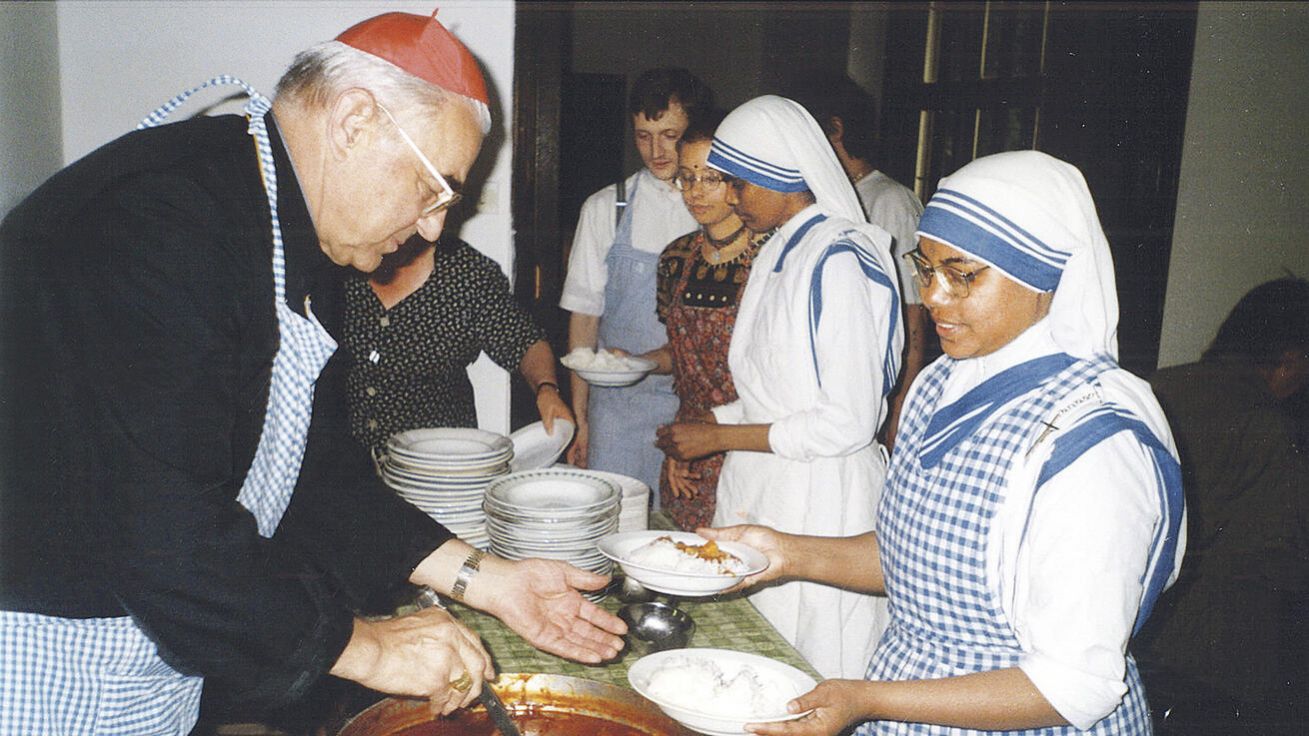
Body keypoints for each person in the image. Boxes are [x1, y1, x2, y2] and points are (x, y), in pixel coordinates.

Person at [0, 13, 624, 735]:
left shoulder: (296, 232)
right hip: (42, 650)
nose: (433, 228)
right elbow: (160, 524)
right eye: (434, 190)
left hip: (145, 644)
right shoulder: (160, 219)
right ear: (355, 122)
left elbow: (312, 469)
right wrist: (365, 649)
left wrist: (487, 579)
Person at [698, 150, 1186, 736]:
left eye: (963, 275)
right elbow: (921, 561)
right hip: (906, 705)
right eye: (926, 269)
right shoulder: (939, 384)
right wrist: (784, 553)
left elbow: (1074, 686)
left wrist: (867, 700)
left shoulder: (1091, 445)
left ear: (1042, 274)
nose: (932, 296)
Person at [656, 95, 904, 680]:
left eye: (739, 184)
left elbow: (846, 421)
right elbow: (780, 390)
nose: (731, 197)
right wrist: (712, 424)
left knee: (809, 663)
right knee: (760, 655)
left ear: (779, 177)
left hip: (820, 498)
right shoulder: (782, 249)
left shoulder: (838, 258)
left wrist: (722, 437)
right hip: (773, 482)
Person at [1135, 277, 1309, 734]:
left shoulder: (1152, 388)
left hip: (1134, 640)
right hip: (1210, 667)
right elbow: (1285, 559)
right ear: (1290, 360)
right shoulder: (1272, 431)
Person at [561, 68, 713, 494]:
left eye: (669, 135)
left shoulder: (715, 211)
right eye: (644, 136)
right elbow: (584, 319)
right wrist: (582, 420)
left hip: (694, 411)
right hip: (617, 411)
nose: (656, 151)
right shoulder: (605, 208)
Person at [634, 109, 771, 531]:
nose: (695, 192)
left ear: (738, 181)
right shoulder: (675, 258)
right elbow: (682, 355)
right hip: (688, 446)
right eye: (687, 177)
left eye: (710, 178)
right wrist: (638, 362)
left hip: (753, 440)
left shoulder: (772, 258)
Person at [787, 73, 927, 450]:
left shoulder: (890, 201)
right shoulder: (820, 198)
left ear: (835, 130)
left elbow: (914, 317)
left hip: (874, 395)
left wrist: (901, 408)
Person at [345, 232, 572, 462]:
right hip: (344, 461)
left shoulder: (466, 273)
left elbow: (526, 341)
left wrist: (546, 388)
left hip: (439, 464)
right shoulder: (343, 256)